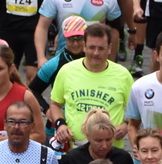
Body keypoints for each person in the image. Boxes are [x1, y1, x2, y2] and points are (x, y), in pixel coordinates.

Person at [48, 22, 136, 152]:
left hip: (110, 150)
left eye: (101, 48)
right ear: (84, 46)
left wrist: (126, 125)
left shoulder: (123, 75)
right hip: (75, 150)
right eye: (92, 47)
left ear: (110, 48)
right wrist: (60, 124)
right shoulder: (67, 71)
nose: (96, 53)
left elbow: (136, 111)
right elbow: (55, 104)